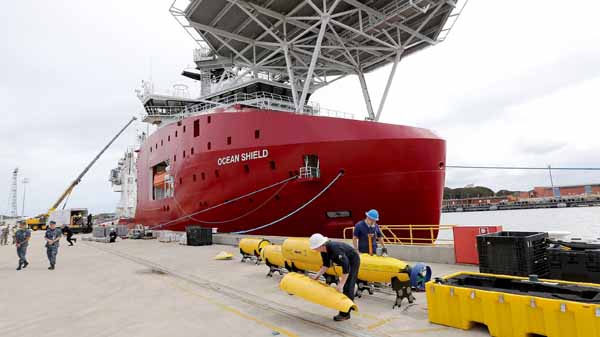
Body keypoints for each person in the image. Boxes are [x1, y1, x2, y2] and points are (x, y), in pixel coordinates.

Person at [310, 233, 360, 321]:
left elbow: (346, 268)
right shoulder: (324, 251)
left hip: (353, 261)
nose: (314, 249)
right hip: (346, 262)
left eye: (315, 247)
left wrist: (341, 284)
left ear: (321, 245)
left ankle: (345, 314)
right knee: (346, 285)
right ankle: (349, 302)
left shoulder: (335, 249)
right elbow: (326, 265)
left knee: (347, 286)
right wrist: (316, 276)